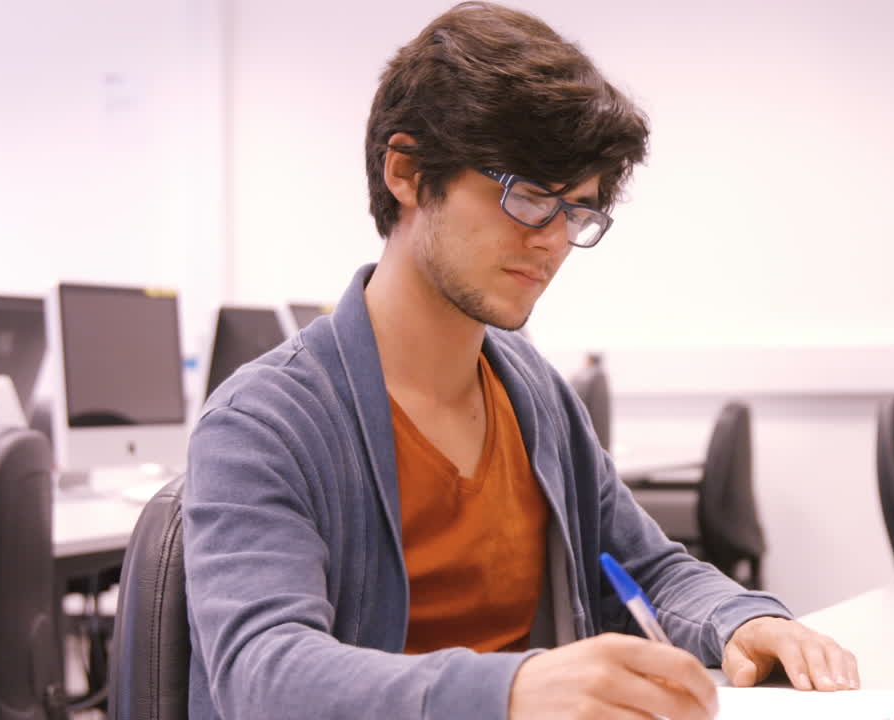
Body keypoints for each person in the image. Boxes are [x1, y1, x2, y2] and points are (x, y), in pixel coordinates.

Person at [183, 3, 858, 719]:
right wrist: (509, 691)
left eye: (578, 211)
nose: (554, 241)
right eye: (531, 196)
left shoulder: (532, 391)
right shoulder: (262, 422)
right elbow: (264, 674)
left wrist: (745, 621)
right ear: (407, 172)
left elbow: (648, 568)